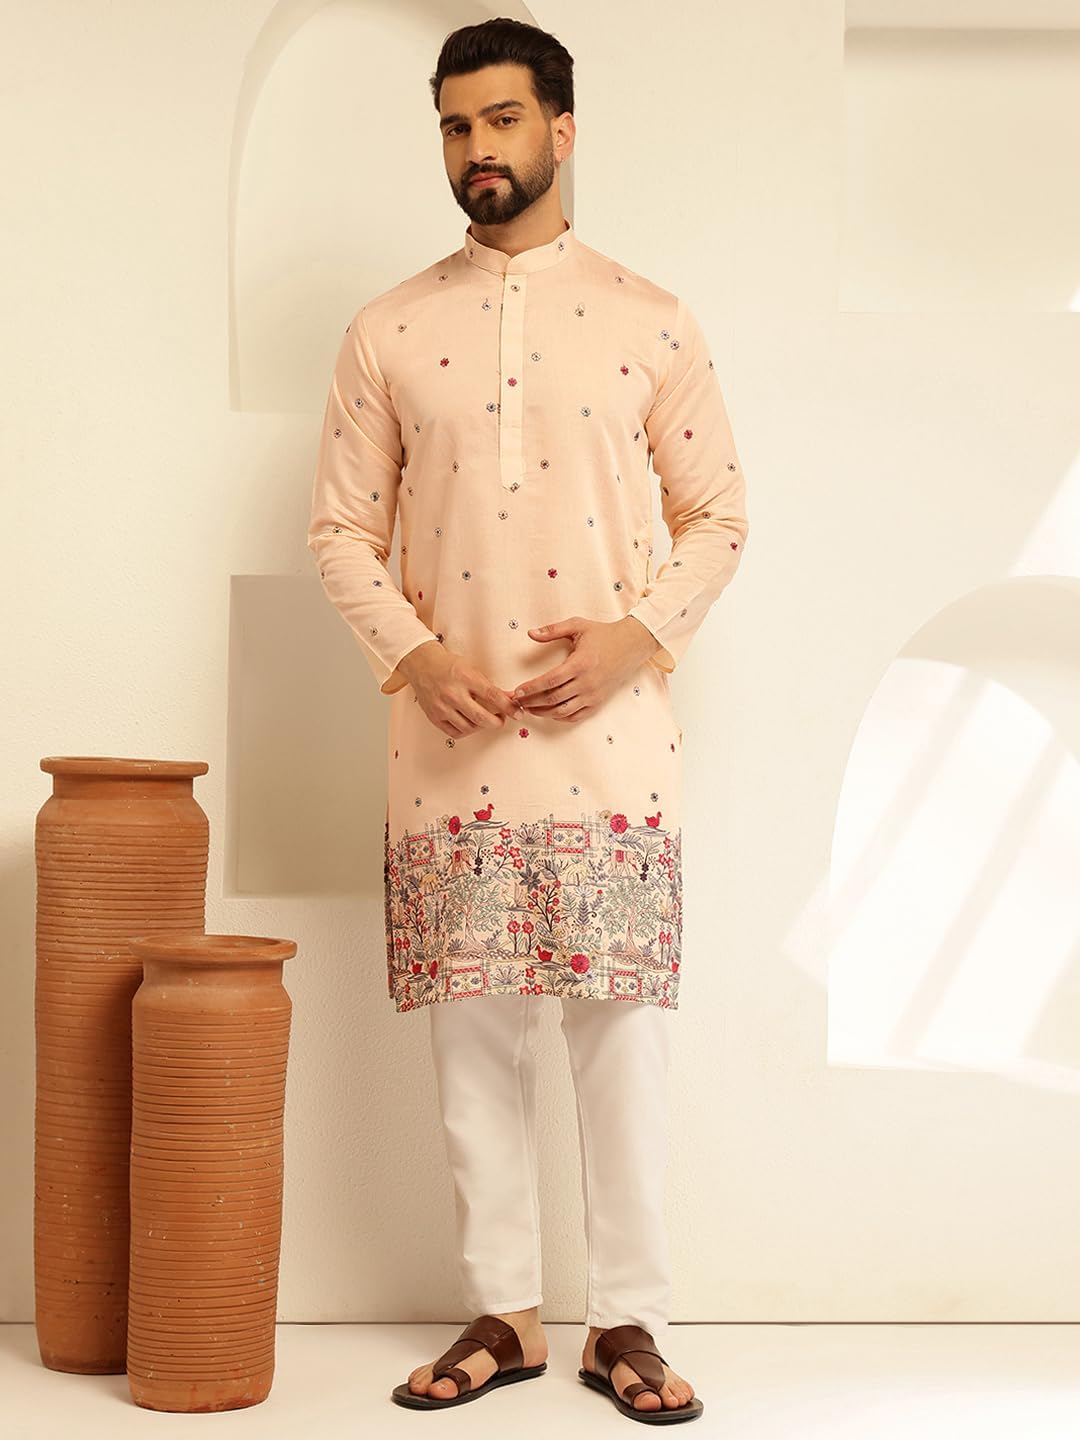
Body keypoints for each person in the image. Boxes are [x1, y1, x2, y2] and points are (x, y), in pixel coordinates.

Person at [307, 16, 748, 1425]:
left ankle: (631, 1324)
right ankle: (502, 1311)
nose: (476, 149)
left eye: (500, 121)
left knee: (621, 1044)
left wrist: (637, 636)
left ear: (561, 130)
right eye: (455, 126)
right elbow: (339, 532)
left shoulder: (651, 318)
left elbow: (720, 513)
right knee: (473, 1038)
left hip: (611, 746)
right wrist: (413, 654)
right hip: (450, 740)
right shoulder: (388, 329)